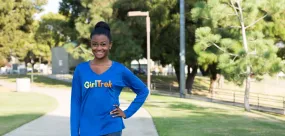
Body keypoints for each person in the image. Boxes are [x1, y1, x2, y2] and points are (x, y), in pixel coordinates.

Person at [70, 21, 149, 136]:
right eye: (95, 44)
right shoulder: (81, 70)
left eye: (103, 44)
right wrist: (74, 133)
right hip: (88, 129)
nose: (99, 48)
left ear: (110, 45)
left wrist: (127, 113)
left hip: (111, 128)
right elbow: (75, 103)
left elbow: (143, 91)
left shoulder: (119, 70)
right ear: (91, 44)